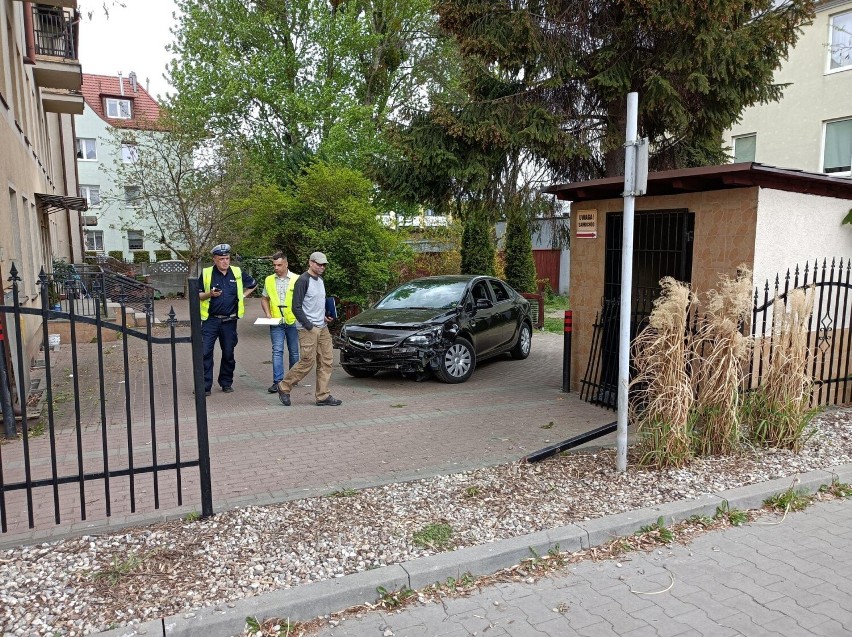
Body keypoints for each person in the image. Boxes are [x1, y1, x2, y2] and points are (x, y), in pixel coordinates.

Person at [277, 251, 341, 407]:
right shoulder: (303, 280)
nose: (322, 267)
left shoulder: (320, 280)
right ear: (310, 263)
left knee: (326, 361)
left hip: (323, 327)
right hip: (308, 329)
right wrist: (309, 326)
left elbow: (316, 304)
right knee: (307, 361)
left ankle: (323, 396)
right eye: (319, 264)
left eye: (324, 264)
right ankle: (284, 386)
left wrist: (325, 317)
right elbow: (296, 307)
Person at [197, 244, 257, 395]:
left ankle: (226, 382)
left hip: (229, 321)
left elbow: (253, 284)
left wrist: (242, 296)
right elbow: (197, 295)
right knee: (205, 353)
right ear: (214, 260)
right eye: (221, 259)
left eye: (227, 258)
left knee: (229, 353)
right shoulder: (206, 273)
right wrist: (209, 294)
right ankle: (204, 386)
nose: (225, 262)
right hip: (210, 320)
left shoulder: (236, 272)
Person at [260, 252, 300, 393]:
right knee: (277, 350)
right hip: (276, 321)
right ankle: (278, 382)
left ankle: (293, 379)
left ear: (286, 264)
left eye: (279, 265)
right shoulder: (269, 280)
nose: (276, 268)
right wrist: (267, 313)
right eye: (274, 265)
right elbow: (264, 298)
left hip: (293, 321)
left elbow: (304, 300)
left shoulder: (297, 279)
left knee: (294, 352)